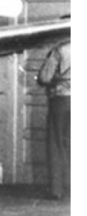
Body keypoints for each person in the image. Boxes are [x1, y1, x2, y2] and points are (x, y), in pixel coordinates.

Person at [36, 37, 70, 200]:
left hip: (62, 99)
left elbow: (44, 77)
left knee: (56, 143)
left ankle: (57, 189)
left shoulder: (60, 50)